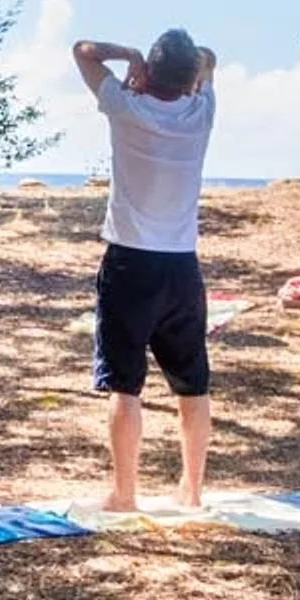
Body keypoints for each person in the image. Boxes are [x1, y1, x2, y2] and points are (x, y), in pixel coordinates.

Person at [71, 26, 219, 512]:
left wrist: (129, 56)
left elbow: (83, 51)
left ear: (147, 72)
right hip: (181, 268)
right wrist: (186, 77)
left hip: (130, 263)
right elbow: (209, 56)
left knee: (124, 382)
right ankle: (192, 491)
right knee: (192, 383)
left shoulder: (125, 106)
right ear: (190, 78)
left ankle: (124, 494)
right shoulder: (200, 114)